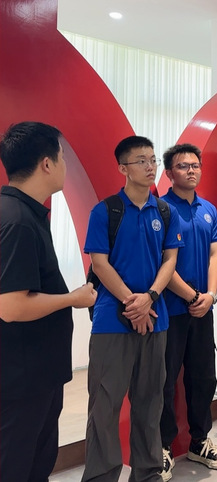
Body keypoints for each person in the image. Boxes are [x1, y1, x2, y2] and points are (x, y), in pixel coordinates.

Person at [0, 121, 97, 481]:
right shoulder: (18, 221)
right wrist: (71, 298)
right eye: (62, 157)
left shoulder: (21, 213)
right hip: (23, 378)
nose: (65, 165)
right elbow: (11, 306)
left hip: (31, 373)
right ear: (46, 163)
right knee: (19, 465)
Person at [82, 136, 183, 482]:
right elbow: (99, 264)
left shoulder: (165, 212)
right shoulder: (106, 211)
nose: (150, 166)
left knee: (150, 402)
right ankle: (101, 476)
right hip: (112, 321)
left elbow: (170, 260)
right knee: (105, 405)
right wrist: (133, 302)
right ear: (123, 168)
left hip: (156, 318)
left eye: (153, 160)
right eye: (142, 161)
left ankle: (148, 473)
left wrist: (149, 298)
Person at [158, 143, 217, 479]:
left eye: (195, 165)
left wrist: (210, 296)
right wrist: (191, 297)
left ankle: (200, 441)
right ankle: (162, 446)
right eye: (183, 166)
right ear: (169, 173)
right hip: (170, 311)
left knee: (203, 378)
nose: (191, 170)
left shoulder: (209, 210)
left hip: (203, 310)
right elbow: (163, 263)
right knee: (165, 380)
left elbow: (216, 255)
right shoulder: (160, 209)